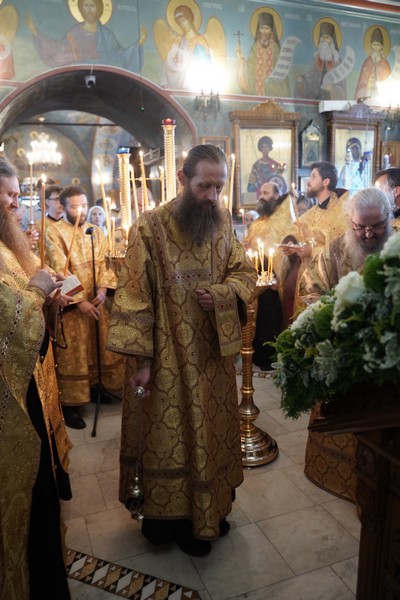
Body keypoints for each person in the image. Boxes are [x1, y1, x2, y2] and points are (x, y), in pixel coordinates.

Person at [106, 144, 256, 557]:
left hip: (211, 357)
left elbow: (243, 272)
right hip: (166, 359)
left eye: (218, 186)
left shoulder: (222, 223)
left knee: (210, 433)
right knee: (168, 437)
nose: (212, 195)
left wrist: (224, 294)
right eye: (204, 185)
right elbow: (134, 295)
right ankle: (165, 520)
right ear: (182, 180)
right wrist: (141, 361)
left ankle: (208, 513)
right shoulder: (149, 228)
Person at [0, 156, 73, 599]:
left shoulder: (7, 247)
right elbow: (7, 324)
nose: (15, 203)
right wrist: (37, 292)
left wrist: (46, 297)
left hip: (26, 388)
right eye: (8, 195)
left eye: (16, 194)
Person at [298, 187, 393, 503]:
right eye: (360, 226)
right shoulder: (335, 250)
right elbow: (311, 289)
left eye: (377, 226)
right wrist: (336, 315)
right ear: (350, 222)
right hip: (343, 352)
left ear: (389, 218)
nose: (368, 234)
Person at [44, 185, 123, 429]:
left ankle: (95, 387)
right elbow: (60, 268)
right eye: (75, 206)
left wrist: (102, 290)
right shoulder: (53, 232)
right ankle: (70, 405)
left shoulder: (95, 231)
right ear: (63, 206)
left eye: (84, 205)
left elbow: (106, 263)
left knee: (96, 347)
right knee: (75, 354)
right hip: (72, 309)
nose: (81, 210)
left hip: (97, 303)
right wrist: (81, 301)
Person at [279, 161, 348, 322]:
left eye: (313, 176)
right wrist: (290, 245)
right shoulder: (312, 212)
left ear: (326, 181)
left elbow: (342, 248)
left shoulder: (341, 211)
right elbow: (296, 231)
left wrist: (312, 251)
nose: (308, 181)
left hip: (328, 282)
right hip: (306, 278)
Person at [244, 181, 292, 369]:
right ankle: (256, 353)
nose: (261, 196)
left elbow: (286, 252)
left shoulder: (284, 221)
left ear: (276, 195)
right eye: (261, 193)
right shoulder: (258, 222)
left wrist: (279, 278)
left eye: (266, 193)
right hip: (256, 277)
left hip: (274, 278)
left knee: (271, 317)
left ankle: (269, 356)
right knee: (257, 315)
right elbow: (249, 244)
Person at [26, 0, 146, 70]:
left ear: (98, 10)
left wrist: (139, 43)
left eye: (92, 6)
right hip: (76, 75)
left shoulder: (106, 35)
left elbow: (119, 58)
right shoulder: (75, 32)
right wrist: (36, 32)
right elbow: (59, 50)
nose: (88, 10)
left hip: (104, 76)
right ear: (81, 9)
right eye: (86, 5)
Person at [237, 10, 290, 97]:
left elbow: (280, 68)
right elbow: (250, 65)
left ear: (271, 31)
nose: (264, 31)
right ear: (259, 30)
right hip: (257, 87)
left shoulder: (275, 47)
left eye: (266, 28)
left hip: (272, 87)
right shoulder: (255, 46)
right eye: (262, 28)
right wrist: (241, 61)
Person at [296, 20, 347, 100]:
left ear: (331, 41)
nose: (324, 41)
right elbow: (310, 80)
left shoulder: (336, 60)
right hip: (317, 100)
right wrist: (302, 80)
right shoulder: (316, 58)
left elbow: (342, 88)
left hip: (330, 101)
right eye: (322, 37)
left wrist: (333, 88)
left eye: (327, 38)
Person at [355, 26, 391, 103]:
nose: (376, 48)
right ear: (371, 46)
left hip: (381, 100)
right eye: (374, 45)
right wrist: (368, 87)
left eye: (378, 45)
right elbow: (360, 86)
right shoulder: (367, 62)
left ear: (381, 47)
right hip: (368, 97)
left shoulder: (385, 64)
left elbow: (388, 85)